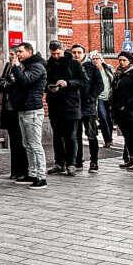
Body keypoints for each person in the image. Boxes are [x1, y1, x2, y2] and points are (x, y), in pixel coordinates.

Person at [0, 43, 48, 189]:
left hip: (32, 110)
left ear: (29, 52)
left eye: (20, 51)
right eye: (16, 52)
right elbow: (11, 83)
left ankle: (41, 176)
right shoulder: (24, 66)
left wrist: (17, 67)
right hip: (22, 109)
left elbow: (25, 81)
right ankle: (31, 173)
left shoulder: (37, 66)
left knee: (35, 144)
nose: (17, 54)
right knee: (27, 144)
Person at [44, 41, 86, 177]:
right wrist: (49, 87)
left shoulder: (74, 64)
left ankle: (71, 163)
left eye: (58, 53)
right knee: (57, 136)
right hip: (54, 104)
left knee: (71, 136)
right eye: (53, 53)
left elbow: (84, 81)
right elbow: (43, 81)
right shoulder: (48, 64)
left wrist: (68, 83)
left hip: (71, 105)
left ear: (63, 50)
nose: (56, 56)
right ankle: (59, 163)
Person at [78, 50, 110, 173]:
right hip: (74, 106)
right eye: (74, 52)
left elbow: (100, 85)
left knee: (91, 135)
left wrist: (91, 97)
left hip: (88, 108)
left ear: (83, 54)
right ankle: (78, 160)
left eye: (78, 52)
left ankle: (94, 161)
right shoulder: (71, 66)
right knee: (75, 135)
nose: (76, 55)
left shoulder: (91, 67)